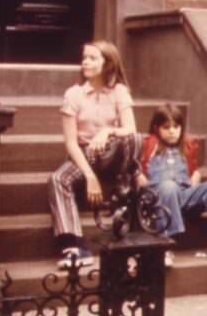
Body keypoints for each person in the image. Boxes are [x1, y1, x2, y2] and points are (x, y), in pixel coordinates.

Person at [48, 40, 143, 269]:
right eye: (84, 58)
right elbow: (71, 143)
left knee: (135, 138)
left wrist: (107, 131)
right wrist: (90, 177)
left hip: (111, 154)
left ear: (108, 63)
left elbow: (130, 129)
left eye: (92, 58)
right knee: (57, 179)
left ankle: (123, 181)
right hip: (84, 155)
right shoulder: (74, 94)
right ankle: (74, 246)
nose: (85, 63)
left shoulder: (119, 92)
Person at [137, 103, 207, 267]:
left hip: (183, 194)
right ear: (156, 128)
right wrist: (138, 175)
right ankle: (165, 244)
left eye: (176, 126)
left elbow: (192, 171)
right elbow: (134, 164)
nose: (172, 131)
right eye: (166, 127)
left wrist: (195, 176)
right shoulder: (149, 144)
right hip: (158, 198)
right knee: (169, 186)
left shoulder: (187, 146)